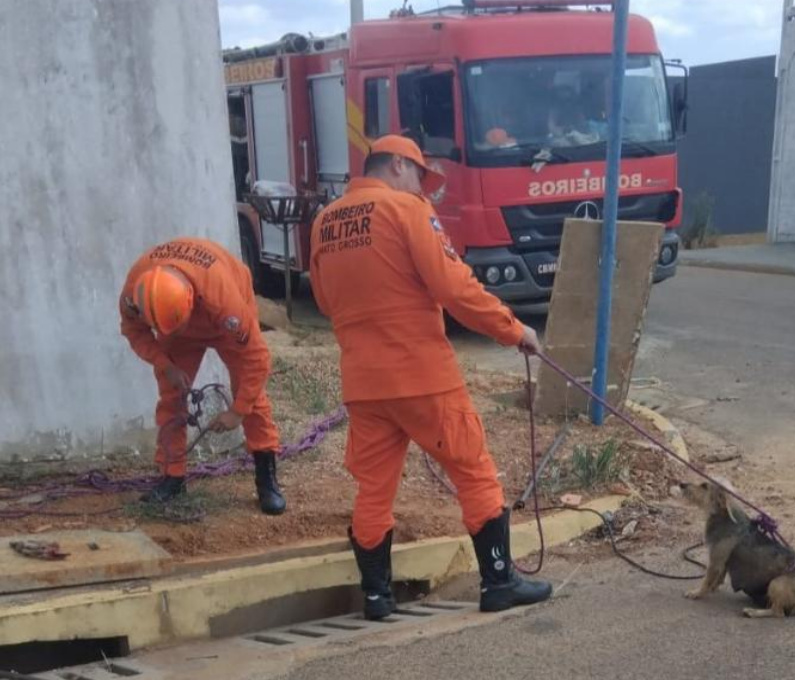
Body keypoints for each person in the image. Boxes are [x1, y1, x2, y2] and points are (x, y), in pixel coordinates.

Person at [309, 135, 552, 618]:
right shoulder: (408, 211)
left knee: (374, 490)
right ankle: (498, 581)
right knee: (473, 470)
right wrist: (513, 329)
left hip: (364, 381)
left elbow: (323, 301)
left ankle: (377, 597)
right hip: (423, 377)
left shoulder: (323, 223)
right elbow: (453, 286)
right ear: (399, 165)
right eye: (421, 176)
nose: (424, 188)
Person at [119, 238, 285, 514]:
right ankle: (172, 477)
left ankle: (266, 477)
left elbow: (256, 359)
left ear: (190, 301)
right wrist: (164, 363)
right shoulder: (133, 295)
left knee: (250, 393)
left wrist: (238, 411)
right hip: (176, 324)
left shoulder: (224, 300)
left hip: (220, 318)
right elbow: (134, 331)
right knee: (172, 398)